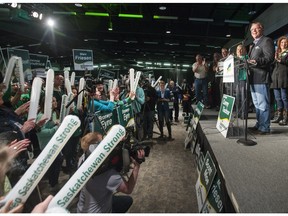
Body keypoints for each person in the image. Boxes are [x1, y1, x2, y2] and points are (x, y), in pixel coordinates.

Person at [77, 132, 145, 213]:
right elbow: (128, 189)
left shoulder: (82, 159)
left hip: (82, 209)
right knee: (128, 200)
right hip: (98, 212)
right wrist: (137, 166)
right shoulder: (109, 175)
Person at [248, 21, 275, 135]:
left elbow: (269, 58)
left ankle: (265, 127)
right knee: (257, 104)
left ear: (262, 29)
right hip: (253, 78)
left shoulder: (266, 40)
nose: (253, 30)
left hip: (261, 77)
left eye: (256, 28)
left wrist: (256, 61)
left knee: (263, 103)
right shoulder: (253, 44)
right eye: (252, 29)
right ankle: (259, 124)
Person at [270, 36, 288, 125]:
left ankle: (286, 117)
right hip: (275, 77)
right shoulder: (278, 52)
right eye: (282, 42)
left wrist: (280, 60)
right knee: (277, 98)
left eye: (285, 42)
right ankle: (279, 116)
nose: (283, 44)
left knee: (284, 98)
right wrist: (275, 58)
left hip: (284, 77)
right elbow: (273, 64)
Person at [235, 44, 248, 119]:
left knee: (243, 97)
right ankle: (238, 112)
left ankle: (244, 114)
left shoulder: (246, 57)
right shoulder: (234, 59)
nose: (239, 51)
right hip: (236, 80)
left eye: (241, 49)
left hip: (243, 79)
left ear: (244, 50)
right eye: (238, 49)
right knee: (237, 97)